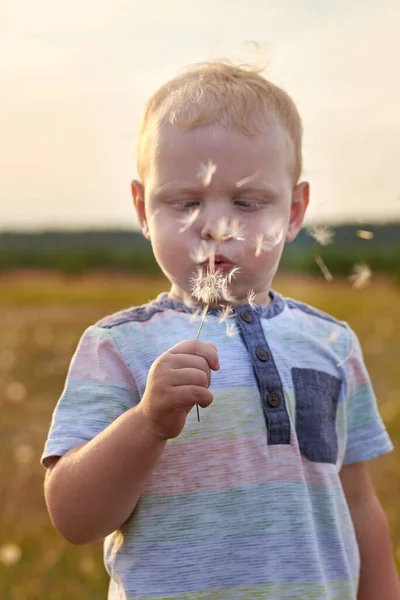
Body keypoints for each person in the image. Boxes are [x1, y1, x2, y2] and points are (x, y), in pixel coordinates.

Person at [41, 61, 400, 600]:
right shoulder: (119, 346)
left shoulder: (331, 343)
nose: (215, 225)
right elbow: (74, 517)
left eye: (247, 202)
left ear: (295, 210)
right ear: (143, 208)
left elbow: (356, 504)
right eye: (185, 202)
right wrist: (146, 423)